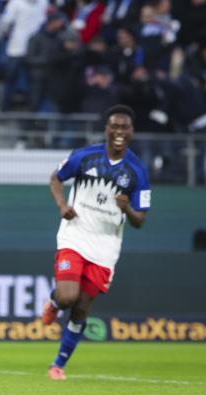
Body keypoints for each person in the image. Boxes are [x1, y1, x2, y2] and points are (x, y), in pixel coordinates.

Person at [40, 104, 151, 380]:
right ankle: (55, 301)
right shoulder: (85, 156)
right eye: (114, 125)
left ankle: (58, 364)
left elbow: (140, 221)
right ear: (106, 128)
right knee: (67, 297)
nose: (119, 131)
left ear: (131, 132)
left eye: (124, 127)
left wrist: (126, 209)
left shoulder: (138, 172)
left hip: (106, 247)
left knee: (81, 308)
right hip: (75, 235)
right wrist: (62, 203)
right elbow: (56, 177)